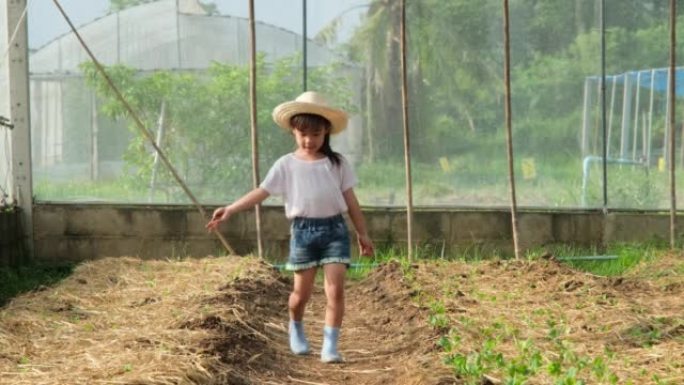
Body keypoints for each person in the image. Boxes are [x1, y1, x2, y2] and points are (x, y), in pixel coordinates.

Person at [206, 91, 374, 363]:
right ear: (293, 132)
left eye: (316, 134)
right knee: (300, 295)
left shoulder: (337, 163)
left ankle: (330, 347)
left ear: (326, 133)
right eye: (303, 133)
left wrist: (362, 233)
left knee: (336, 290)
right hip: (303, 233)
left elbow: (352, 202)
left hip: (335, 232)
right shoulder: (285, 165)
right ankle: (295, 326)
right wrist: (231, 209)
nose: (309, 140)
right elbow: (262, 192)